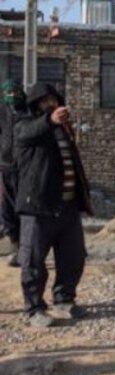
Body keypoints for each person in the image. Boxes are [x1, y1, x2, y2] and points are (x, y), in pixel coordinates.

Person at [14, 83, 93, 327]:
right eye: (45, 101)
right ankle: (34, 308)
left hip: (67, 206)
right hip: (38, 206)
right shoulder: (26, 126)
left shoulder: (63, 130)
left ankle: (64, 299)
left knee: (73, 257)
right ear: (36, 104)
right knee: (34, 261)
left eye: (54, 100)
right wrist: (49, 120)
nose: (51, 104)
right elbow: (26, 133)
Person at [0, 79, 26, 267]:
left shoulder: (28, 112)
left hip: (25, 169)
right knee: (7, 210)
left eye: (16, 92)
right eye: (9, 93)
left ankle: (25, 250)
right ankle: (16, 247)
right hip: (4, 168)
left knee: (23, 210)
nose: (12, 96)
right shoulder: (2, 112)